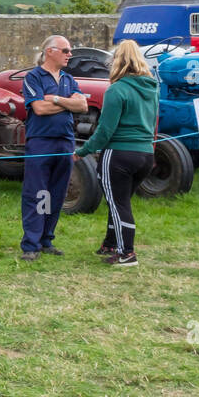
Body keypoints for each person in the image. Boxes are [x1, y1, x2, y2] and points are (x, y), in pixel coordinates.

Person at [75, 39, 158, 266]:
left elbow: (105, 130)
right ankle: (110, 243)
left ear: (115, 62)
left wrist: (83, 151)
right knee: (119, 201)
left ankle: (126, 253)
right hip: (145, 154)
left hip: (120, 153)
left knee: (118, 203)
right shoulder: (151, 89)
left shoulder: (116, 90)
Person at [20, 34, 90, 261]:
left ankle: (46, 239)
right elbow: (39, 108)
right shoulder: (33, 77)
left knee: (57, 193)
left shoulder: (69, 79)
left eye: (70, 51)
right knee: (37, 193)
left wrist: (58, 101)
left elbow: (83, 105)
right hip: (41, 141)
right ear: (50, 51)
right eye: (66, 50)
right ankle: (31, 243)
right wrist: (68, 104)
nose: (70, 54)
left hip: (65, 140)